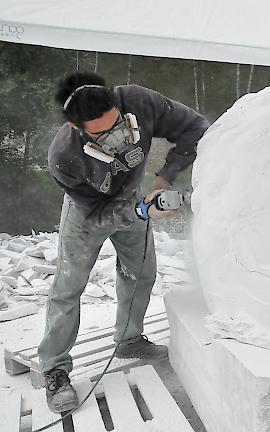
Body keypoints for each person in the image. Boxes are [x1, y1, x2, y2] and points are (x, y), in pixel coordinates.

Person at [38, 71, 210, 413]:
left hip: (133, 194)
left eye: (118, 123)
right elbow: (99, 215)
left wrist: (164, 175)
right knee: (69, 287)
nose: (119, 137)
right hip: (88, 212)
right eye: (104, 133)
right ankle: (55, 368)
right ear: (78, 129)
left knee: (140, 273)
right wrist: (140, 212)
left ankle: (129, 339)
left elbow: (195, 127)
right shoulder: (64, 157)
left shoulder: (139, 101)